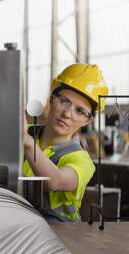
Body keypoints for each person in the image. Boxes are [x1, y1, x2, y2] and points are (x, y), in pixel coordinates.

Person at [22, 64, 108, 222]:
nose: (67, 114)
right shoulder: (26, 132)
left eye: (80, 111)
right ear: (52, 99)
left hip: (62, 236)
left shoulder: (81, 160)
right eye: (64, 101)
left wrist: (26, 142)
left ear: (87, 120)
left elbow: (54, 182)